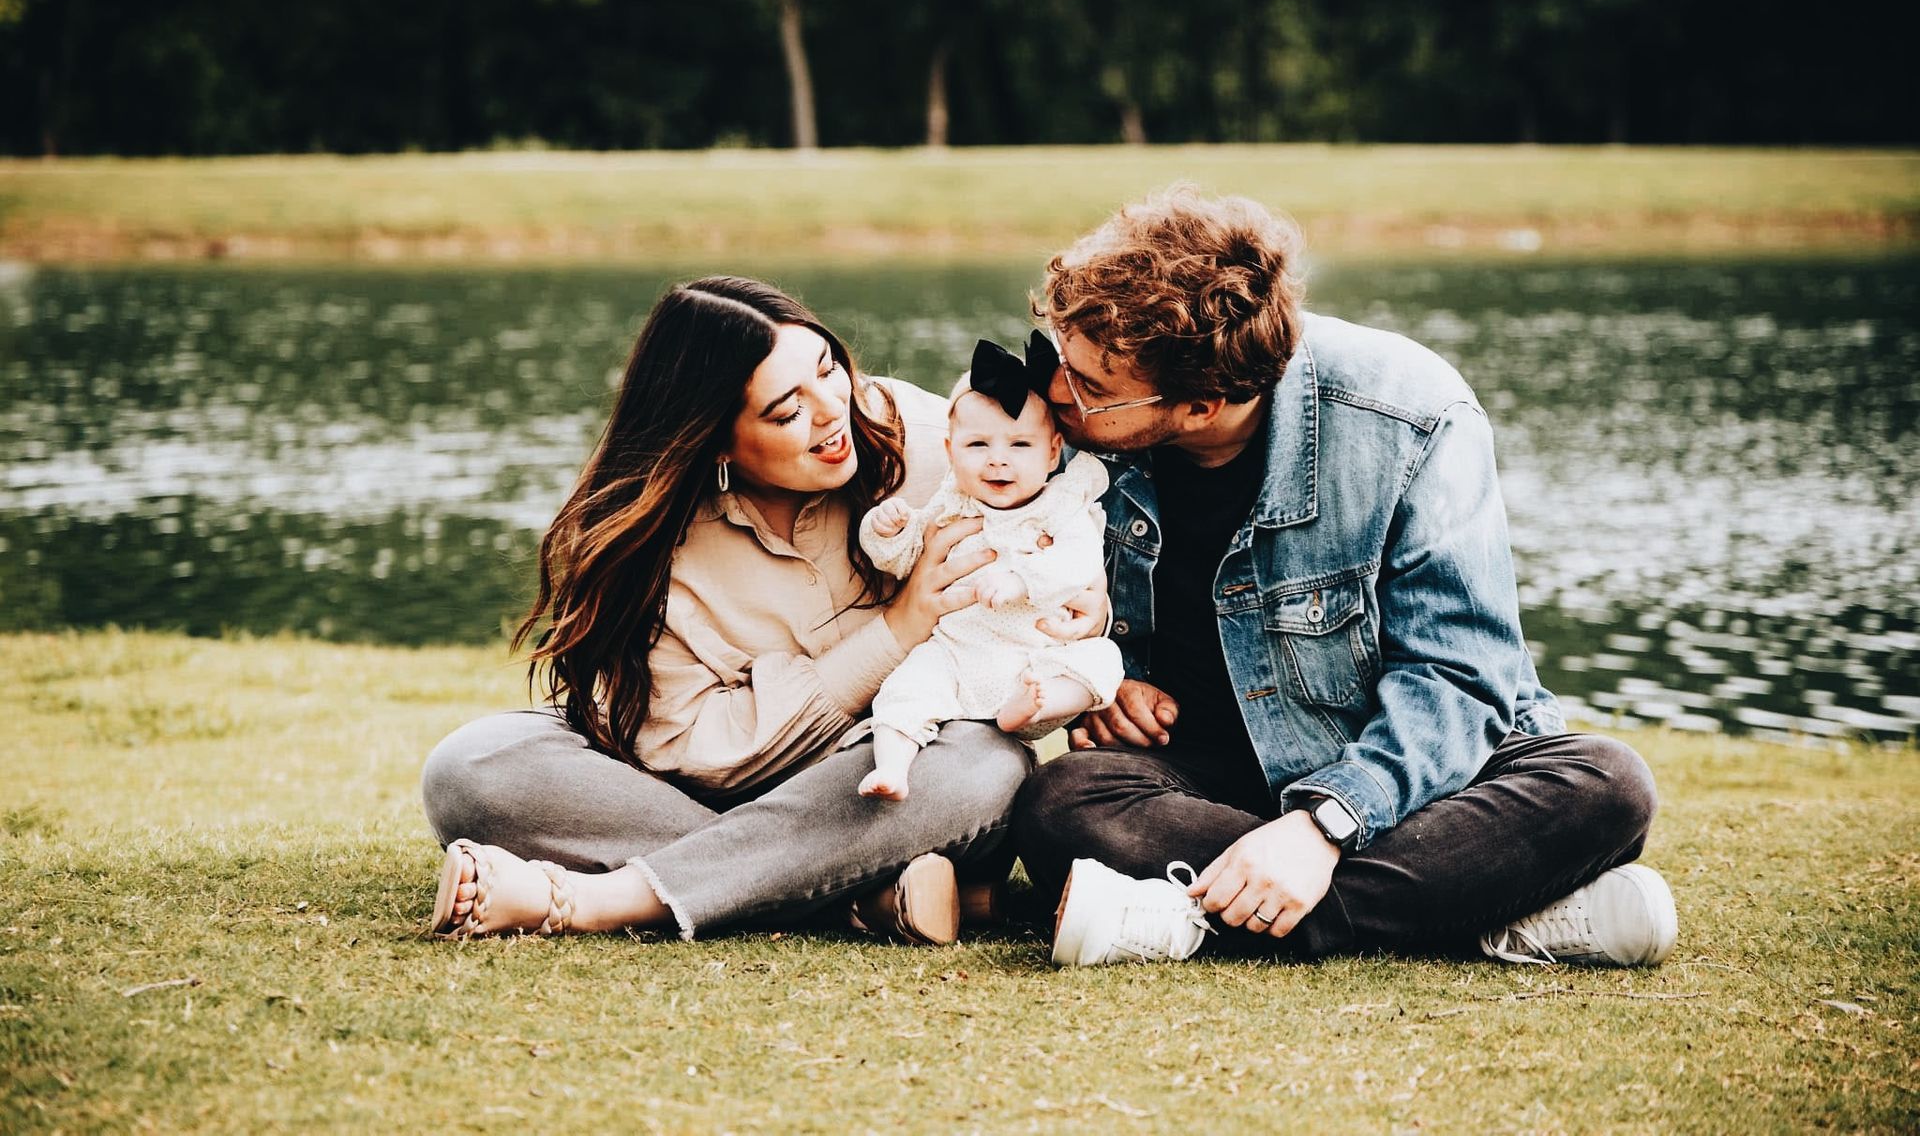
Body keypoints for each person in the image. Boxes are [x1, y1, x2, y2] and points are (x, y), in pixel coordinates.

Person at [1014, 187, 1678, 968]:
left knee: (1608, 786)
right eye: (1060, 356)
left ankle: (1183, 920)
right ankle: (1486, 917)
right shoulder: (1074, 434)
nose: (1058, 391)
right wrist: (1107, 680)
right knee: (1062, 802)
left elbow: (1462, 677)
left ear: (1200, 406)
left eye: (1091, 385)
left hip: (1412, 774)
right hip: (1208, 778)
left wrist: (1324, 825)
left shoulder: (1411, 413)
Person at [420, 276, 1100, 945]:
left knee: (983, 761)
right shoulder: (660, 549)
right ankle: (851, 896)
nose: (833, 410)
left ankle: (603, 899)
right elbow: (692, 751)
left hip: (896, 793)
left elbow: (1077, 502)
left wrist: (1094, 614)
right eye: (787, 411)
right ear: (716, 439)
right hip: (706, 798)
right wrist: (897, 630)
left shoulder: (929, 439)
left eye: (828, 369)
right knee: (473, 767)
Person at [856, 339, 1124, 801]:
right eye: (977, 444)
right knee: (905, 687)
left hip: (1036, 655)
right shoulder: (948, 505)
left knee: (1103, 661)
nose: (998, 459)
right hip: (957, 651)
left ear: (1053, 451)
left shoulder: (1062, 509)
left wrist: (1022, 579)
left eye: (1020, 444)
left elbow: (1078, 564)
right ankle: (892, 768)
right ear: (950, 450)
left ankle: (1034, 707)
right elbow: (903, 562)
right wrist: (885, 532)